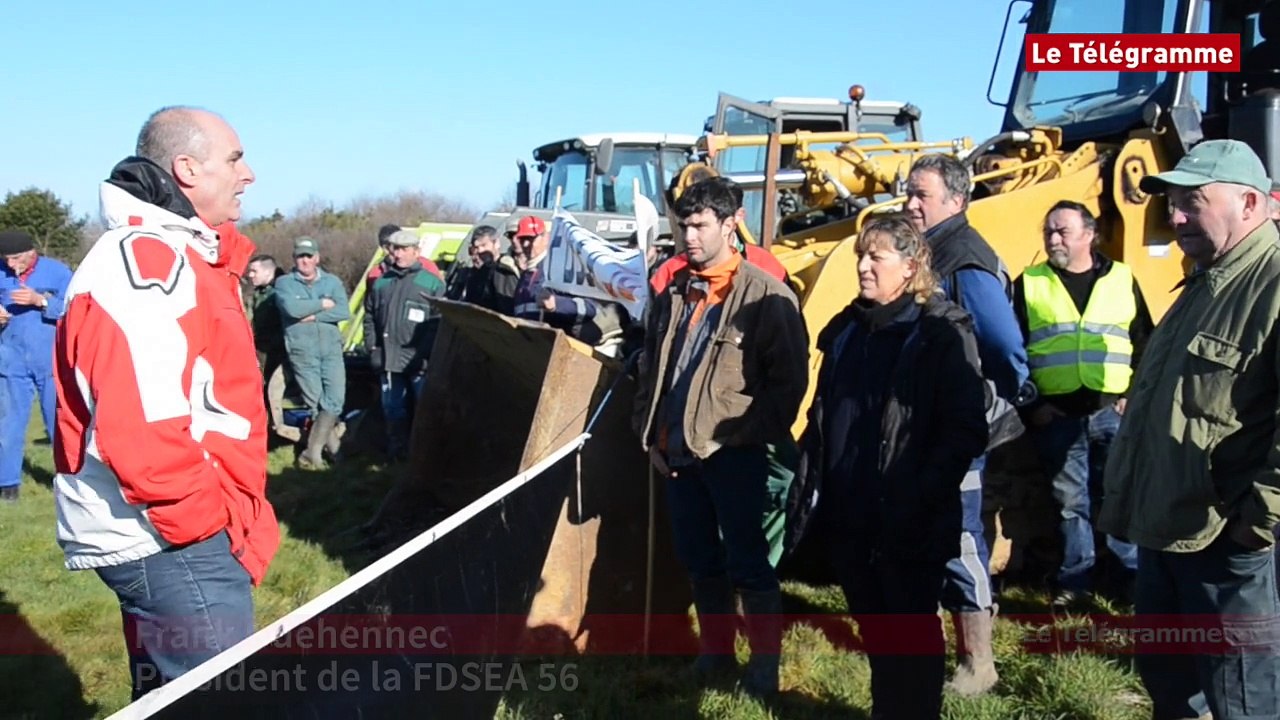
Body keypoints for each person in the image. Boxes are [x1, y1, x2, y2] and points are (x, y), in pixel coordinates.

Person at [50, 106, 280, 698]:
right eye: (234, 159)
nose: (248, 174)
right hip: (169, 537)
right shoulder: (145, 265)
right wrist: (205, 528)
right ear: (186, 168)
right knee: (223, 702)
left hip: (168, 531)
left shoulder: (182, 255)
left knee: (166, 698)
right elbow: (142, 430)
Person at [1098, 139, 1280, 720]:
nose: (1175, 218)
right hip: (1165, 530)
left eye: (1192, 202)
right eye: (1172, 202)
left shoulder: (1271, 283)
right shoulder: (1205, 280)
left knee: (1241, 700)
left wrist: (1258, 525)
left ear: (1249, 204)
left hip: (1224, 545)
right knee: (1175, 692)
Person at [797, 213, 988, 719]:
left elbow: (966, 427)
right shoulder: (845, 331)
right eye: (861, 255)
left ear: (909, 266)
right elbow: (824, 417)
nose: (862, 266)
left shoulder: (940, 333)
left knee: (912, 639)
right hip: (850, 516)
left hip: (911, 517)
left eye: (875, 257)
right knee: (878, 636)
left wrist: (921, 493)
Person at [632, 177, 809, 697]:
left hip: (732, 455)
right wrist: (651, 435)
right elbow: (652, 369)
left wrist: (741, 437)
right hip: (678, 455)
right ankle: (716, 655)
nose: (687, 235)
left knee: (748, 563)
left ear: (730, 225)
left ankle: (763, 668)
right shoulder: (675, 290)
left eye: (699, 225)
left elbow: (788, 386)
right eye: (683, 224)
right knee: (699, 561)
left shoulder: (767, 297)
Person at [903, 152, 1032, 695]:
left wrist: (990, 397)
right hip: (918, 421)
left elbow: (1003, 346)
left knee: (960, 536)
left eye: (921, 195)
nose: (910, 204)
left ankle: (979, 662)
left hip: (956, 425)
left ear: (956, 201)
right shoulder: (931, 250)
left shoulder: (966, 258)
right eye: (908, 193)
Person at [1012, 201, 1152, 607]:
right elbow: (1011, 351)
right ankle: (1076, 583)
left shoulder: (1122, 279)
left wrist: (1131, 396)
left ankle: (1129, 580)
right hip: (1056, 414)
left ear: (1089, 234)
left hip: (1112, 410)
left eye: (1062, 231)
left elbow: (1145, 341)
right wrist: (1032, 405)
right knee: (1070, 503)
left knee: (1119, 495)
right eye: (1049, 232)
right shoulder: (1030, 283)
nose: (1053, 239)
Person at [0, 230, 72, 503]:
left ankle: (66, 480)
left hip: (50, 360)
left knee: (58, 422)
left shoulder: (58, 273)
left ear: (32, 253)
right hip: (10, 359)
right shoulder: (1, 272)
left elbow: (75, 308)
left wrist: (40, 301)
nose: (10, 264)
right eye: (5, 259)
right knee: (8, 424)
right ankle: (8, 484)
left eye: (16, 257)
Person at [363, 230, 446, 461]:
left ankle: (427, 458)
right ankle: (397, 456)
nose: (397, 254)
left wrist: (424, 354)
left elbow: (438, 322)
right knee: (393, 410)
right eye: (394, 249)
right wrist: (372, 347)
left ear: (416, 252)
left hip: (420, 361)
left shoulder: (431, 284)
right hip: (389, 360)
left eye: (403, 249)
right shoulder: (382, 283)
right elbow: (368, 316)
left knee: (425, 411)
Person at [274, 236, 350, 469]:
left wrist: (314, 315)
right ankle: (332, 451)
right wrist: (322, 304)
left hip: (331, 349)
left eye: (309, 256)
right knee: (316, 402)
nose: (305, 261)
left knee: (335, 401)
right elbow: (291, 308)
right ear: (295, 259)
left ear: (316, 258)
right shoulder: (284, 283)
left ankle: (312, 451)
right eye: (300, 256)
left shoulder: (332, 282)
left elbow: (343, 311)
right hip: (302, 351)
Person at [460, 225, 519, 314]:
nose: (479, 250)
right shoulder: (476, 273)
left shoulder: (505, 269)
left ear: (497, 243)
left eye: (484, 245)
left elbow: (507, 305)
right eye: (476, 247)